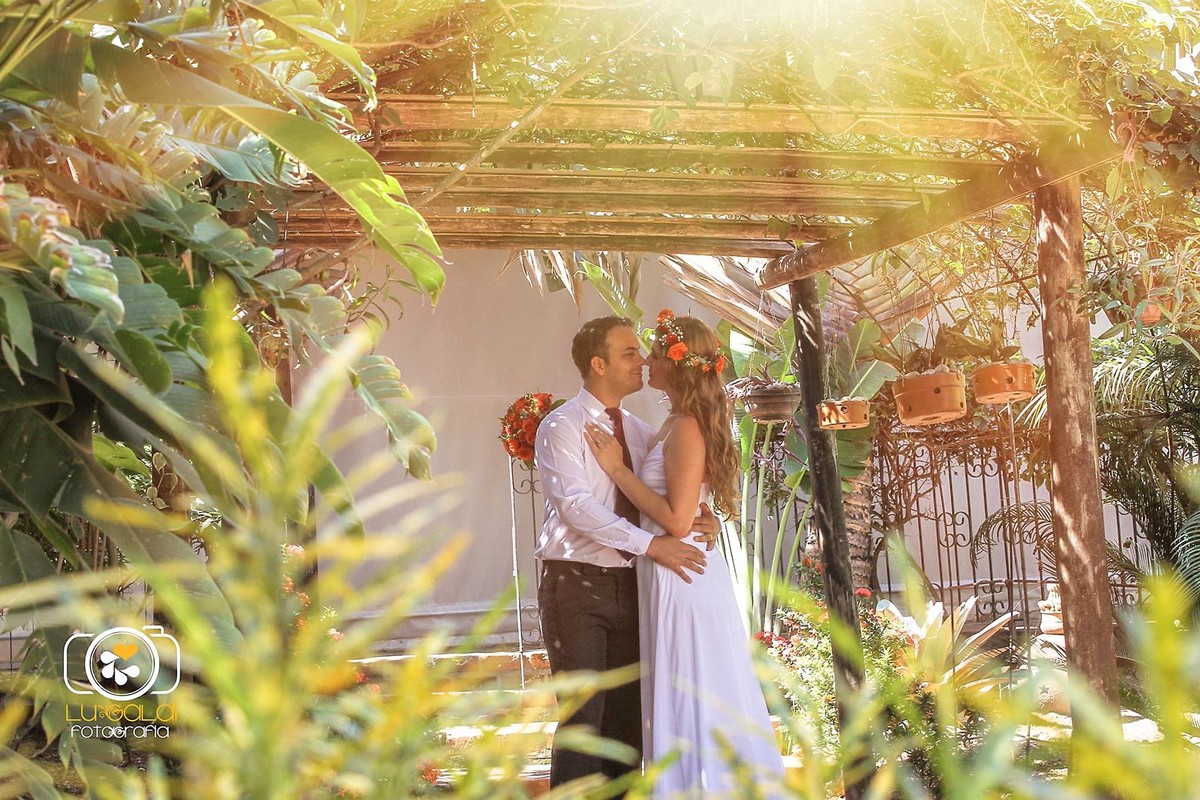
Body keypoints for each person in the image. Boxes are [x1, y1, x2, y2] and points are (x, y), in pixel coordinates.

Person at [584, 310, 787, 797]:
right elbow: (689, 505)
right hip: (674, 567)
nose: (648, 360)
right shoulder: (675, 421)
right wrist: (705, 512)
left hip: (683, 573)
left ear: (677, 364)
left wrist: (616, 469)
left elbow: (675, 519)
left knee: (696, 683)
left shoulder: (688, 428)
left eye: (655, 353)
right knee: (682, 684)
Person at [534, 315, 721, 793]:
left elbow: (664, 497)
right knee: (584, 720)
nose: (642, 361)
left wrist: (707, 516)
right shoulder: (561, 426)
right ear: (598, 364)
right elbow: (577, 508)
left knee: (625, 723)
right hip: (576, 584)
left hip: (636, 587)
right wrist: (654, 545)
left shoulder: (641, 431)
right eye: (629, 353)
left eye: (642, 352)